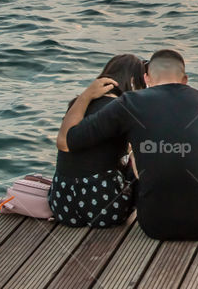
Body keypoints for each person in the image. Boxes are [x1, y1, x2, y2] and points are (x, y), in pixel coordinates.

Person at [56, 48, 198, 240]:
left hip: (153, 225)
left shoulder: (128, 103)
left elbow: (70, 140)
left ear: (147, 78)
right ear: (185, 79)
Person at [49, 54, 145, 228]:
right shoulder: (123, 109)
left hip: (62, 206)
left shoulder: (77, 105)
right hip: (103, 209)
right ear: (132, 81)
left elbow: (66, 143)